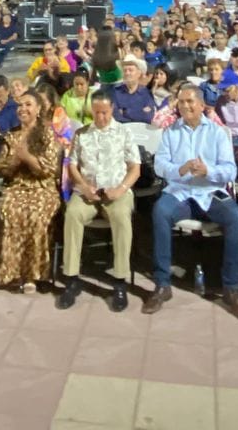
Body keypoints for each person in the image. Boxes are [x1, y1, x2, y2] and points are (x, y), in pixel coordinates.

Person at [146, 83, 238, 320]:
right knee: (160, 211)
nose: (185, 106)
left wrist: (208, 171)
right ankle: (162, 284)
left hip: (210, 192)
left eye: (190, 101)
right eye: (181, 102)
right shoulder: (171, 132)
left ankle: (231, 288)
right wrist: (179, 169)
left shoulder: (217, 133)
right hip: (181, 192)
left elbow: (230, 171)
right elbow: (160, 165)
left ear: (202, 105)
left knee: (236, 218)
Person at [57, 88, 140, 311]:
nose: (101, 117)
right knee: (73, 214)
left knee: (122, 218)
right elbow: (72, 164)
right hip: (88, 191)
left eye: (104, 112)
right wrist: (83, 186)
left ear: (112, 109)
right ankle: (72, 278)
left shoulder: (123, 132)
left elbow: (135, 168)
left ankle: (120, 281)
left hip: (116, 190)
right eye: (96, 112)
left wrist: (121, 189)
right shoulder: (82, 133)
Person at [0, 92, 63, 291]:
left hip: (42, 187)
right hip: (16, 186)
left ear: (38, 110)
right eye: (20, 105)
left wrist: (27, 157)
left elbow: (49, 169)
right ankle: (10, 273)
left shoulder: (47, 134)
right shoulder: (11, 136)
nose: (23, 109)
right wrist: (13, 162)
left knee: (36, 215)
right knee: (8, 210)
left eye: (28, 105)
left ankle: (33, 275)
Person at [110, 56, 156, 125]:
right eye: (125, 71)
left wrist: (125, 111)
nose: (127, 73)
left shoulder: (146, 93)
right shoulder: (116, 92)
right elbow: (116, 116)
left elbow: (148, 116)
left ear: (139, 73)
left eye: (130, 70)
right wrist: (140, 111)